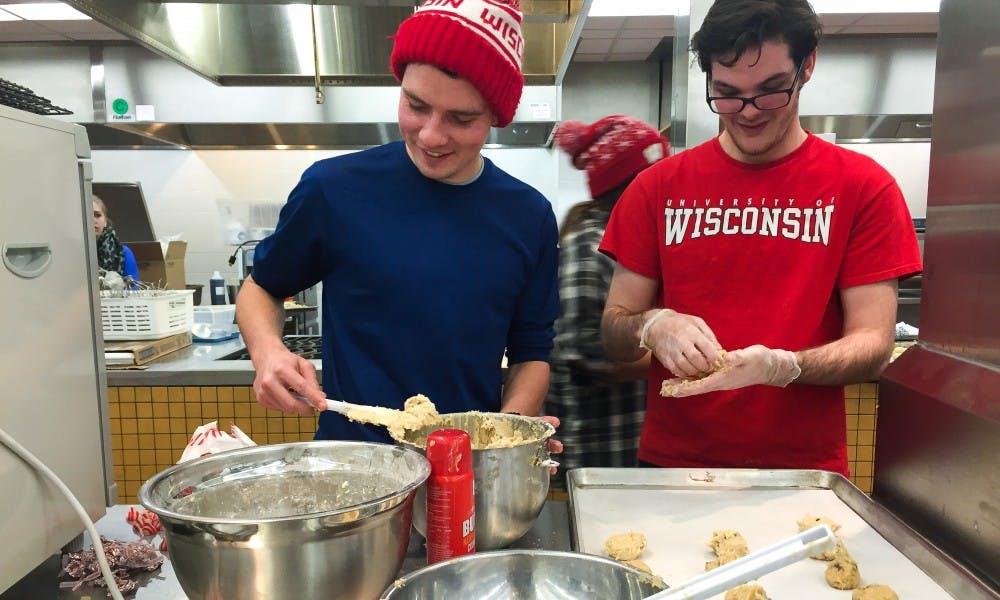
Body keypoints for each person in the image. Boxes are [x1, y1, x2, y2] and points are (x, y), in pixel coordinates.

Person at [598, 0, 922, 477]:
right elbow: (614, 332)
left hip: (802, 471)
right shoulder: (656, 189)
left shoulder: (862, 188)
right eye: (726, 93)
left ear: (807, 65)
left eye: (771, 91)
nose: (747, 112)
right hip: (674, 469)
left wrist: (784, 366)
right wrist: (651, 324)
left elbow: (872, 344)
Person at [235, 0, 562, 445]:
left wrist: (507, 438)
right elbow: (262, 286)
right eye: (416, 105)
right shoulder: (333, 189)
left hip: (466, 473)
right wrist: (267, 351)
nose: (430, 135)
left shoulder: (529, 216)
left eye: (461, 119)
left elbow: (531, 353)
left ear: (495, 117)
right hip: (352, 467)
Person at [545, 115, 668, 484]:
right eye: (659, 176)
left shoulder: (637, 238)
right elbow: (584, 349)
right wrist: (677, 356)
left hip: (629, 446)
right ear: (631, 184)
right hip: (595, 455)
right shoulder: (590, 244)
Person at [93, 194, 140, 283]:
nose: (93, 220)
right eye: (87, 215)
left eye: (97, 215)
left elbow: (134, 290)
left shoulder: (123, 252)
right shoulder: (70, 253)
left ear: (105, 222)